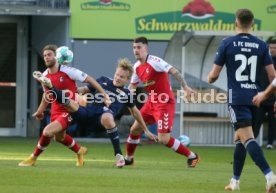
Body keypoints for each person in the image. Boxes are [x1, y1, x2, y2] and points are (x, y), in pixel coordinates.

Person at [33, 58, 158, 168]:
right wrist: (73, 88)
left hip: (102, 121)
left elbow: (136, 112)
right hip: (87, 114)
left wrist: (146, 130)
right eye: (117, 74)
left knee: (107, 115)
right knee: (69, 103)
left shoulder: (127, 94)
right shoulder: (103, 80)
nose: (118, 78)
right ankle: (51, 87)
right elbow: (83, 90)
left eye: (122, 77)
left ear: (127, 80)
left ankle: (118, 155)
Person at [207, 9, 276, 192]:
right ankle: (235, 181)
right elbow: (272, 76)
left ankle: (270, 176)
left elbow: (214, 75)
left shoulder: (227, 43)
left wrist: (209, 78)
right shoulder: (261, 45)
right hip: (255, 98)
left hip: (237, 99)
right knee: (239, 138)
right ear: (252, 24)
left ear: (236, 22)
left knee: (247, 138)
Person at [18, 44, 110, 167]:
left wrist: (104, 94)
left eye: (49, 55)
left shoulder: (68, 71)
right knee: (59, 138)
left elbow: (90, 80)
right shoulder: (44, 76)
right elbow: (47, 96)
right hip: (55, 111)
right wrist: (40, 111)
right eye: (45, 55)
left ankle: (33, 158)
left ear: (56, 56)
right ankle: (79, 151)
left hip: (70, 110)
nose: (46, 57)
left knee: (46, 132)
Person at [124, 36, 200, 168]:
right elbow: (133, 86)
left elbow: (175, 71)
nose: (136, 50)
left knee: (163, 139)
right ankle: (129, 158)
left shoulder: (155, 61)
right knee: (135, 129)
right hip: (151, 102)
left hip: (164, 102)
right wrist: (125, 95)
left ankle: (192, 156)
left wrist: (185, 87)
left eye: (139, 47)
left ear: (146, 49)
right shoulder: (136, 66)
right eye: (134, 47)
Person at [253, 38, 276, 149]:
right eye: (271, 47)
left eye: (275, 48)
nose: (273, 50)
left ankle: (270, 143)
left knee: (273, 123)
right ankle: (251, 142)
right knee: (257, 122)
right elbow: (256, 77)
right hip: (261, 97)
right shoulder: (262, 61)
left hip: (273, 98)